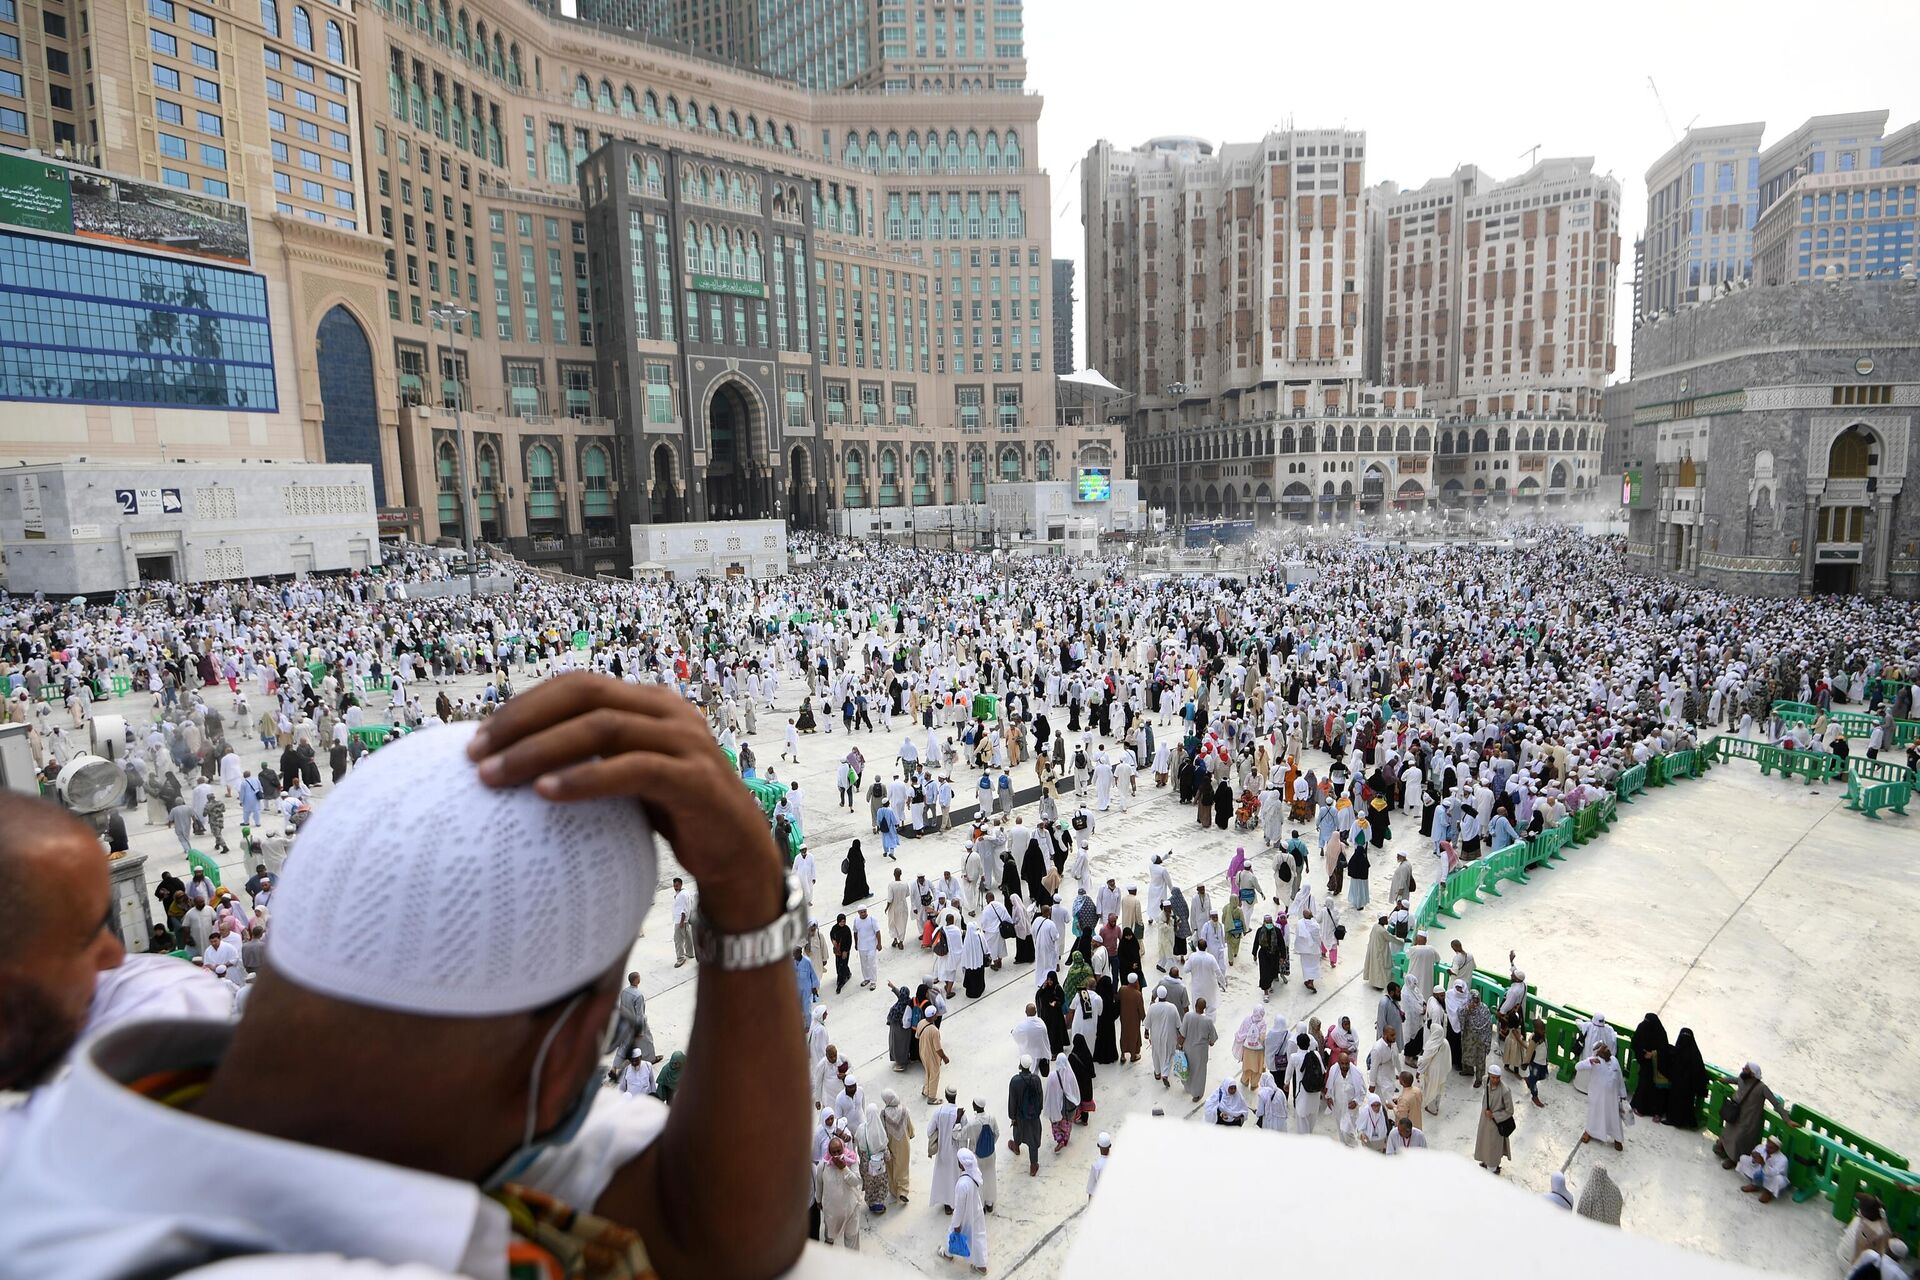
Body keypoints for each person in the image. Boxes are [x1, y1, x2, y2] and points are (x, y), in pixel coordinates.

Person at [0, 674, 811, 1279]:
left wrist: (747, 891)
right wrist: (749, 896)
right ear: (568, 1054)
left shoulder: (118, 1117)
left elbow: (723, 1230)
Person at [1713, 1062, 1794, 1169]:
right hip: (1735, 1114)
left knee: (1739, 1139)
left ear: (1752, 1074)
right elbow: (1734, 1080)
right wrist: (1724, 1080)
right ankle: (1725, 1149)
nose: (1743, 1069)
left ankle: (1734, 1159)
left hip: (1748, 1119)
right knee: (1728, 1133)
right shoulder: (1742, 1079)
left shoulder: (1762, 1088)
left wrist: (1787, 1120)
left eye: (1746, 1069)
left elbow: (1776, 1103)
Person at [942, 1149, 989, 1272]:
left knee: (952, 1233)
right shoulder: (974, 1174)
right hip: (976, 1211)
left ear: (962, 1164)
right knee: (978, 1237)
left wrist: (957, 1224)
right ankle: (981, 1265)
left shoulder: (962, 1184)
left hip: (965, 1216)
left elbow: (959, 1208)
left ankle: (947, 1254)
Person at [1576, 1042, 1628, 1151]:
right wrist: (1590, 1061)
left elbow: (1619, 1077)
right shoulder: (1594, 1061)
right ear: (1599, 1053)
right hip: (1597, 1097)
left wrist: (1623, 1094)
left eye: (1607, 1048)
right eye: (1604, 1050)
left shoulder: (1614, 1060)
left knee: (1614, 1118)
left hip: (1613, 1099)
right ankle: (1589, 1132)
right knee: (1594, 1115)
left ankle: (1617, 1139)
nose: (1608, 1050)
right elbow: (1578, 1066)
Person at [814, 1135, 863, 1250]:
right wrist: (818, 1200)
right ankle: (829, 1241)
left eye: (839, 1151)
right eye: (833, 1152)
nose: (836, 1155)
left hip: (851, 1209)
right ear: (829, 1152)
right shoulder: (823, 1165)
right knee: (830, 1231)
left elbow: (856, 1181)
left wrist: (844, 1168)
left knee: (851, 1239)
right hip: (832, 1211)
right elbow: (819, 1184)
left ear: (843, 1148)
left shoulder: (852, 1160)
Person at [1006, 1055, 1045, 1177]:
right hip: (1033, 1117)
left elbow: (1012, 1100)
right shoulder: (1036, 1079)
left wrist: (1012, 1116)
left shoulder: (1015, 1081)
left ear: (1020, 1065)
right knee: (1033, 1140)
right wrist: (1037, 1112)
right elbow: (1040, 1098)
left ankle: (1016, 1147)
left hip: (1019, 1116)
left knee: (1018, 1132)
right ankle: (1033, 1165)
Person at [1663, 1027, 1708, 1129]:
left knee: (1675, 1102)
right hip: (1688, 1087)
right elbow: (1699, 1071)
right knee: (1685, 1104)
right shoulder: (1695, 1053)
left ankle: (1674, 1120)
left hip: (1678, 1084)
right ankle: (1684, 1121)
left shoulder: (1679, 1050)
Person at [1475, 1062, 1515, 1174]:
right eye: (1493, 1077)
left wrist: (1494, 1115)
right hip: (1485, 1120)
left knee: (1493, 1147)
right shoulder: (1485, 1080)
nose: (1495, 1080)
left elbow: (1510, 1111)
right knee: (1484, 1142)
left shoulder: (1505, 1091)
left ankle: (1492, 1168)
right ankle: (1486, 1162)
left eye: (1498, 1078)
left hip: (1495, 1124)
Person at [928, 1088, 963, 1212]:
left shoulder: (939, 1112)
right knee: (955, 1176)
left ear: (946, 1096)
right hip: (956, 1151)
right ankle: (955, 1201)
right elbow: (965, 1133)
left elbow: (929, 1131)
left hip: (943, 1150)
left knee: (943, 1176)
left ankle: (947, 1203)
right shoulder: (960, 1113)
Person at [960, 1098, 997, 1213]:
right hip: (990, 1155)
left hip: (977, 1156)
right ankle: (989, 1203)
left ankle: (980, 1205)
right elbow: (997, 1133)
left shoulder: (973, 1124)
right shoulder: (992, 1118)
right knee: (990, 1176)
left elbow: (961, 1135)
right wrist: (990, 1145)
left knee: (978, 1179)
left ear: (975, 1107)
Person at [1630, 1012, 1670, 1116]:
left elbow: (1664, 1048)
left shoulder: (1660, 1033)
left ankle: (1653, 1111)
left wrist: (1653, 1054)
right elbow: (1635, 1042)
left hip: (1657, 1064)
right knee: (1644, 1084)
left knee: (1653, 1088)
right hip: (1644, 1062)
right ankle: (1640, 1107)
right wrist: (1643, 1054)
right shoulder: (1642, 1027)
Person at [1179, 997, 1218, 1102]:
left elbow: (1182, 1034)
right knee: (1199, 1073)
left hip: (1188, 1048)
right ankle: (1197, 1094)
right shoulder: (1208, 1021)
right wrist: (1210, 1042)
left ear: (1195, 1005)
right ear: (1204, 1008)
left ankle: (1187, 1087)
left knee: (1187, 1068)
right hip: (1201, 1052)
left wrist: (1179, 1045)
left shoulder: (1188, 1016)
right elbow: (1213, 1040)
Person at [881, 1089, 915, 1205]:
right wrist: (911, 1134)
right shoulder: (904, 1110)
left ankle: (894, 1191)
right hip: (904, 1144)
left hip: (890, 1144)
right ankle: (903, 1191)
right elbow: (909, 1126)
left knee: (892, 1167)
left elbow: (882, 1131)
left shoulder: (884, 1114)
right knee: (903, 1167)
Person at [1737, 1135, 1790, 1203]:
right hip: (1759, 1172)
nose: (1767, 1149)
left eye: (1771, 1148)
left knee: (1778, 1179)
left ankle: (1768, 1192)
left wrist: (1763, 1163)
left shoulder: (1783, 1159)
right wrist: (1754, 1159)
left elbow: (1773, 1173)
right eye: (1767, 1145)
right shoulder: (1761, 1147)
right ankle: (1755, 1185)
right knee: (1743, 1158)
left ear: (1777, 1149)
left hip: (1771, 1178)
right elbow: (1753, 1158)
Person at [842, 839, 871, 905]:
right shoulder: (857, 852)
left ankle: (848, 899)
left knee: (850, 885)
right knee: (862, 883)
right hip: (859, 872)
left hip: (851, 873)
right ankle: (865, 894)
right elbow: (860, 862)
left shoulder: (851, 850)